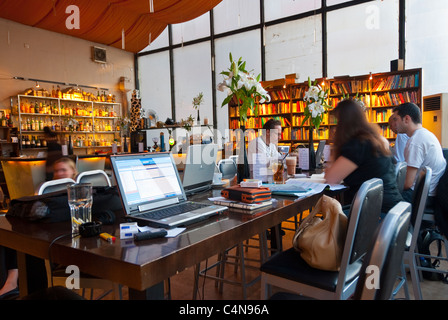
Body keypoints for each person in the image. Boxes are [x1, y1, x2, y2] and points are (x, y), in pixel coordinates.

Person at [324, 99, 403, 214]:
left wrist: (335, 148)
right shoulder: (376, 140)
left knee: (314, 225)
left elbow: (330, 179)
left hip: (374, 214)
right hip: (393, 211)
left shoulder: (357, 144)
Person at [392, 102, 446, 204]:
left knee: (382, 199)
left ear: (406, 119)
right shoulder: (425, 134)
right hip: (431, 191)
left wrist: (389, 185)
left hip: (422, 195)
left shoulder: (416, 141)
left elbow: (408, 183)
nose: (394, 124)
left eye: (396, 119)